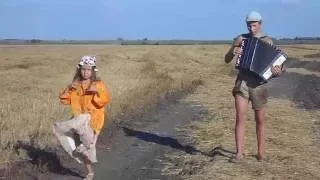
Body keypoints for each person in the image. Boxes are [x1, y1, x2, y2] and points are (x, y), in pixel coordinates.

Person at [224, 11, 284, 162]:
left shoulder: (268, 41)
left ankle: (261, 154)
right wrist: (233, 50)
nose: (251, 28)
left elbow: (277, 67)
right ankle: (239, 154)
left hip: (259, 86)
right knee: (240, 118)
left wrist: (278, 71)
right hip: (242, 83)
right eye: (249, 25)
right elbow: (226, 59)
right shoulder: (240, 39)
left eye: (254, 25)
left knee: (260, 120)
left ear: (260, 24)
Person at [53, 55, 111, 180]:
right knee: (82, 149)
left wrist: (96, 92)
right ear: (79, 70)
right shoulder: (76, 85)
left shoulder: (98, 84)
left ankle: (90, 170)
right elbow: (64, 100)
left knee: (88, 146)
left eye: (89, 69)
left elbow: (105, 100)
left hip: (93, 121)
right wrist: (69, 89)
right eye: (84, 69)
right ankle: (89, 171)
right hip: (78, 120)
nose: (86, 72)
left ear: (93, 71)